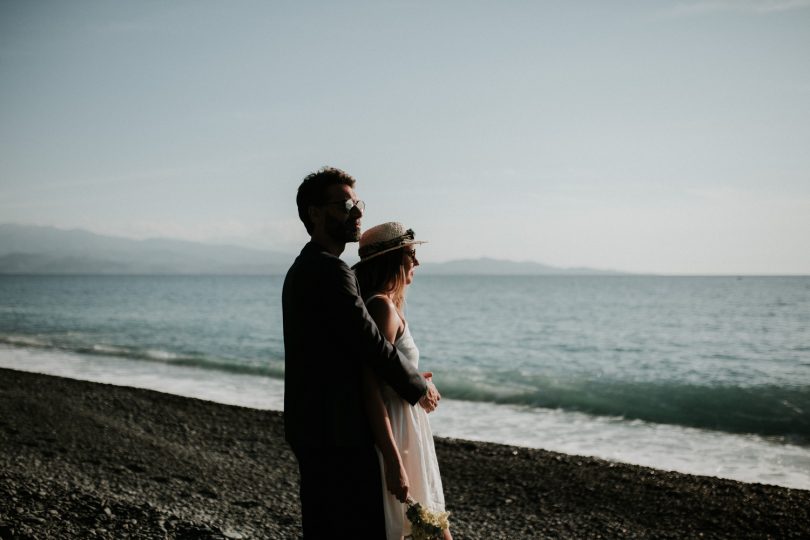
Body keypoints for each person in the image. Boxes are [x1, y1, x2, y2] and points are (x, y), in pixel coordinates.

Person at [282, 167, 441, 538]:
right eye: (346, 204)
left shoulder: (306, 268)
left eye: (358, 204)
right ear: (315, 213)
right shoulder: (328, 270)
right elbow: (369, 344)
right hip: (337, 435)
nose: (357, 213)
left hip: (317, 430)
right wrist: (418, 386)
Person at [354, 222, 452, 540]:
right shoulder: (381, 307)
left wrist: (418, 382)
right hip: (396, 430)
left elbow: (389, 371)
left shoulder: (385, 305)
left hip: (406, 426)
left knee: (427, 526)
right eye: (412, 253)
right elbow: (370, 387)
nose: (417, 262)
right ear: (394, 259)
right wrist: (394, 460)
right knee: (428, 527)